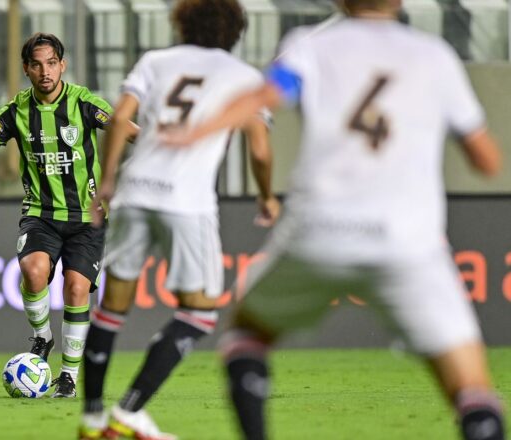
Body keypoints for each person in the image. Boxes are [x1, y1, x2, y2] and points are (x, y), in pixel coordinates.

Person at [163, 1, 505, 439]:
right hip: (407, 241)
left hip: (320, 231)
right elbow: (486, 160)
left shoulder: (310, 46)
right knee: (472, 389)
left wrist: (197, 130)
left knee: (245, 336)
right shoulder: (435, 56)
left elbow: (266, 96)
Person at [77, 1, 279, 438]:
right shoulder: (245, 77)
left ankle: (91, 420)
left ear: (182, 22)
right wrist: (266, 196)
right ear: (236, 29)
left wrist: (107, 181)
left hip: (135, 190)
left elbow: (119, 119)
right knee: (199, 311)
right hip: (187, 201)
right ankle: (129, 411)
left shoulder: (156, 61)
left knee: (112, 307)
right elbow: (260, 150)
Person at [0, 33, 136, 398]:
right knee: (34, 270)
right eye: (37, 65)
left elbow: (126, 128)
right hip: (41, 213)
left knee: (76, 288)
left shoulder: (85, 103)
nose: (46, 72)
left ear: (63, 65)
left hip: (87, 217)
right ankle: (43, 337)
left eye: (52, 63)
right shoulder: (16, 112)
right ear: (26, 68)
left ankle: (68, 376)